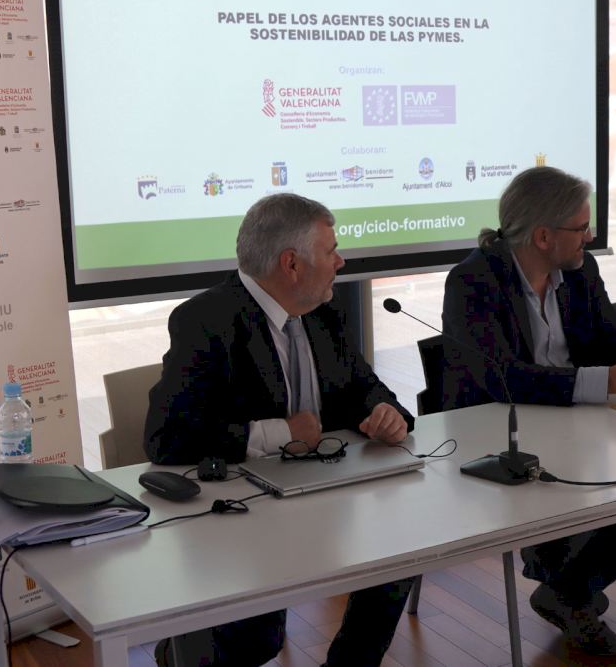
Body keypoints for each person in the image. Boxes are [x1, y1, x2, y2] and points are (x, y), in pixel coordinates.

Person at [144, 193, 415, 667]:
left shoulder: (323, 312)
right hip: (244, 514)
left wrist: (385, 411)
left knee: (401, 555)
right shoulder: (205, 320)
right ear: (292, 264)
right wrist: (279, 433)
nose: (341, 261)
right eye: (331, 250)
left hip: (327, 496)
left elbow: (365, 387)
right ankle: (184, 650)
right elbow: (167, 436)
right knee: (256, 641)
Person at [442, 166, 616, 656]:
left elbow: (610, 342)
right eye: (581, 227)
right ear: (543, 236)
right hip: (500, 432)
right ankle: (567, 580)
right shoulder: (473, 281)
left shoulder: (579, 271)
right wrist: (608, 381)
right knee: (570, 491)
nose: (590, 237)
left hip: (578, 424)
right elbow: (502, 379)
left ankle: (568, 588)